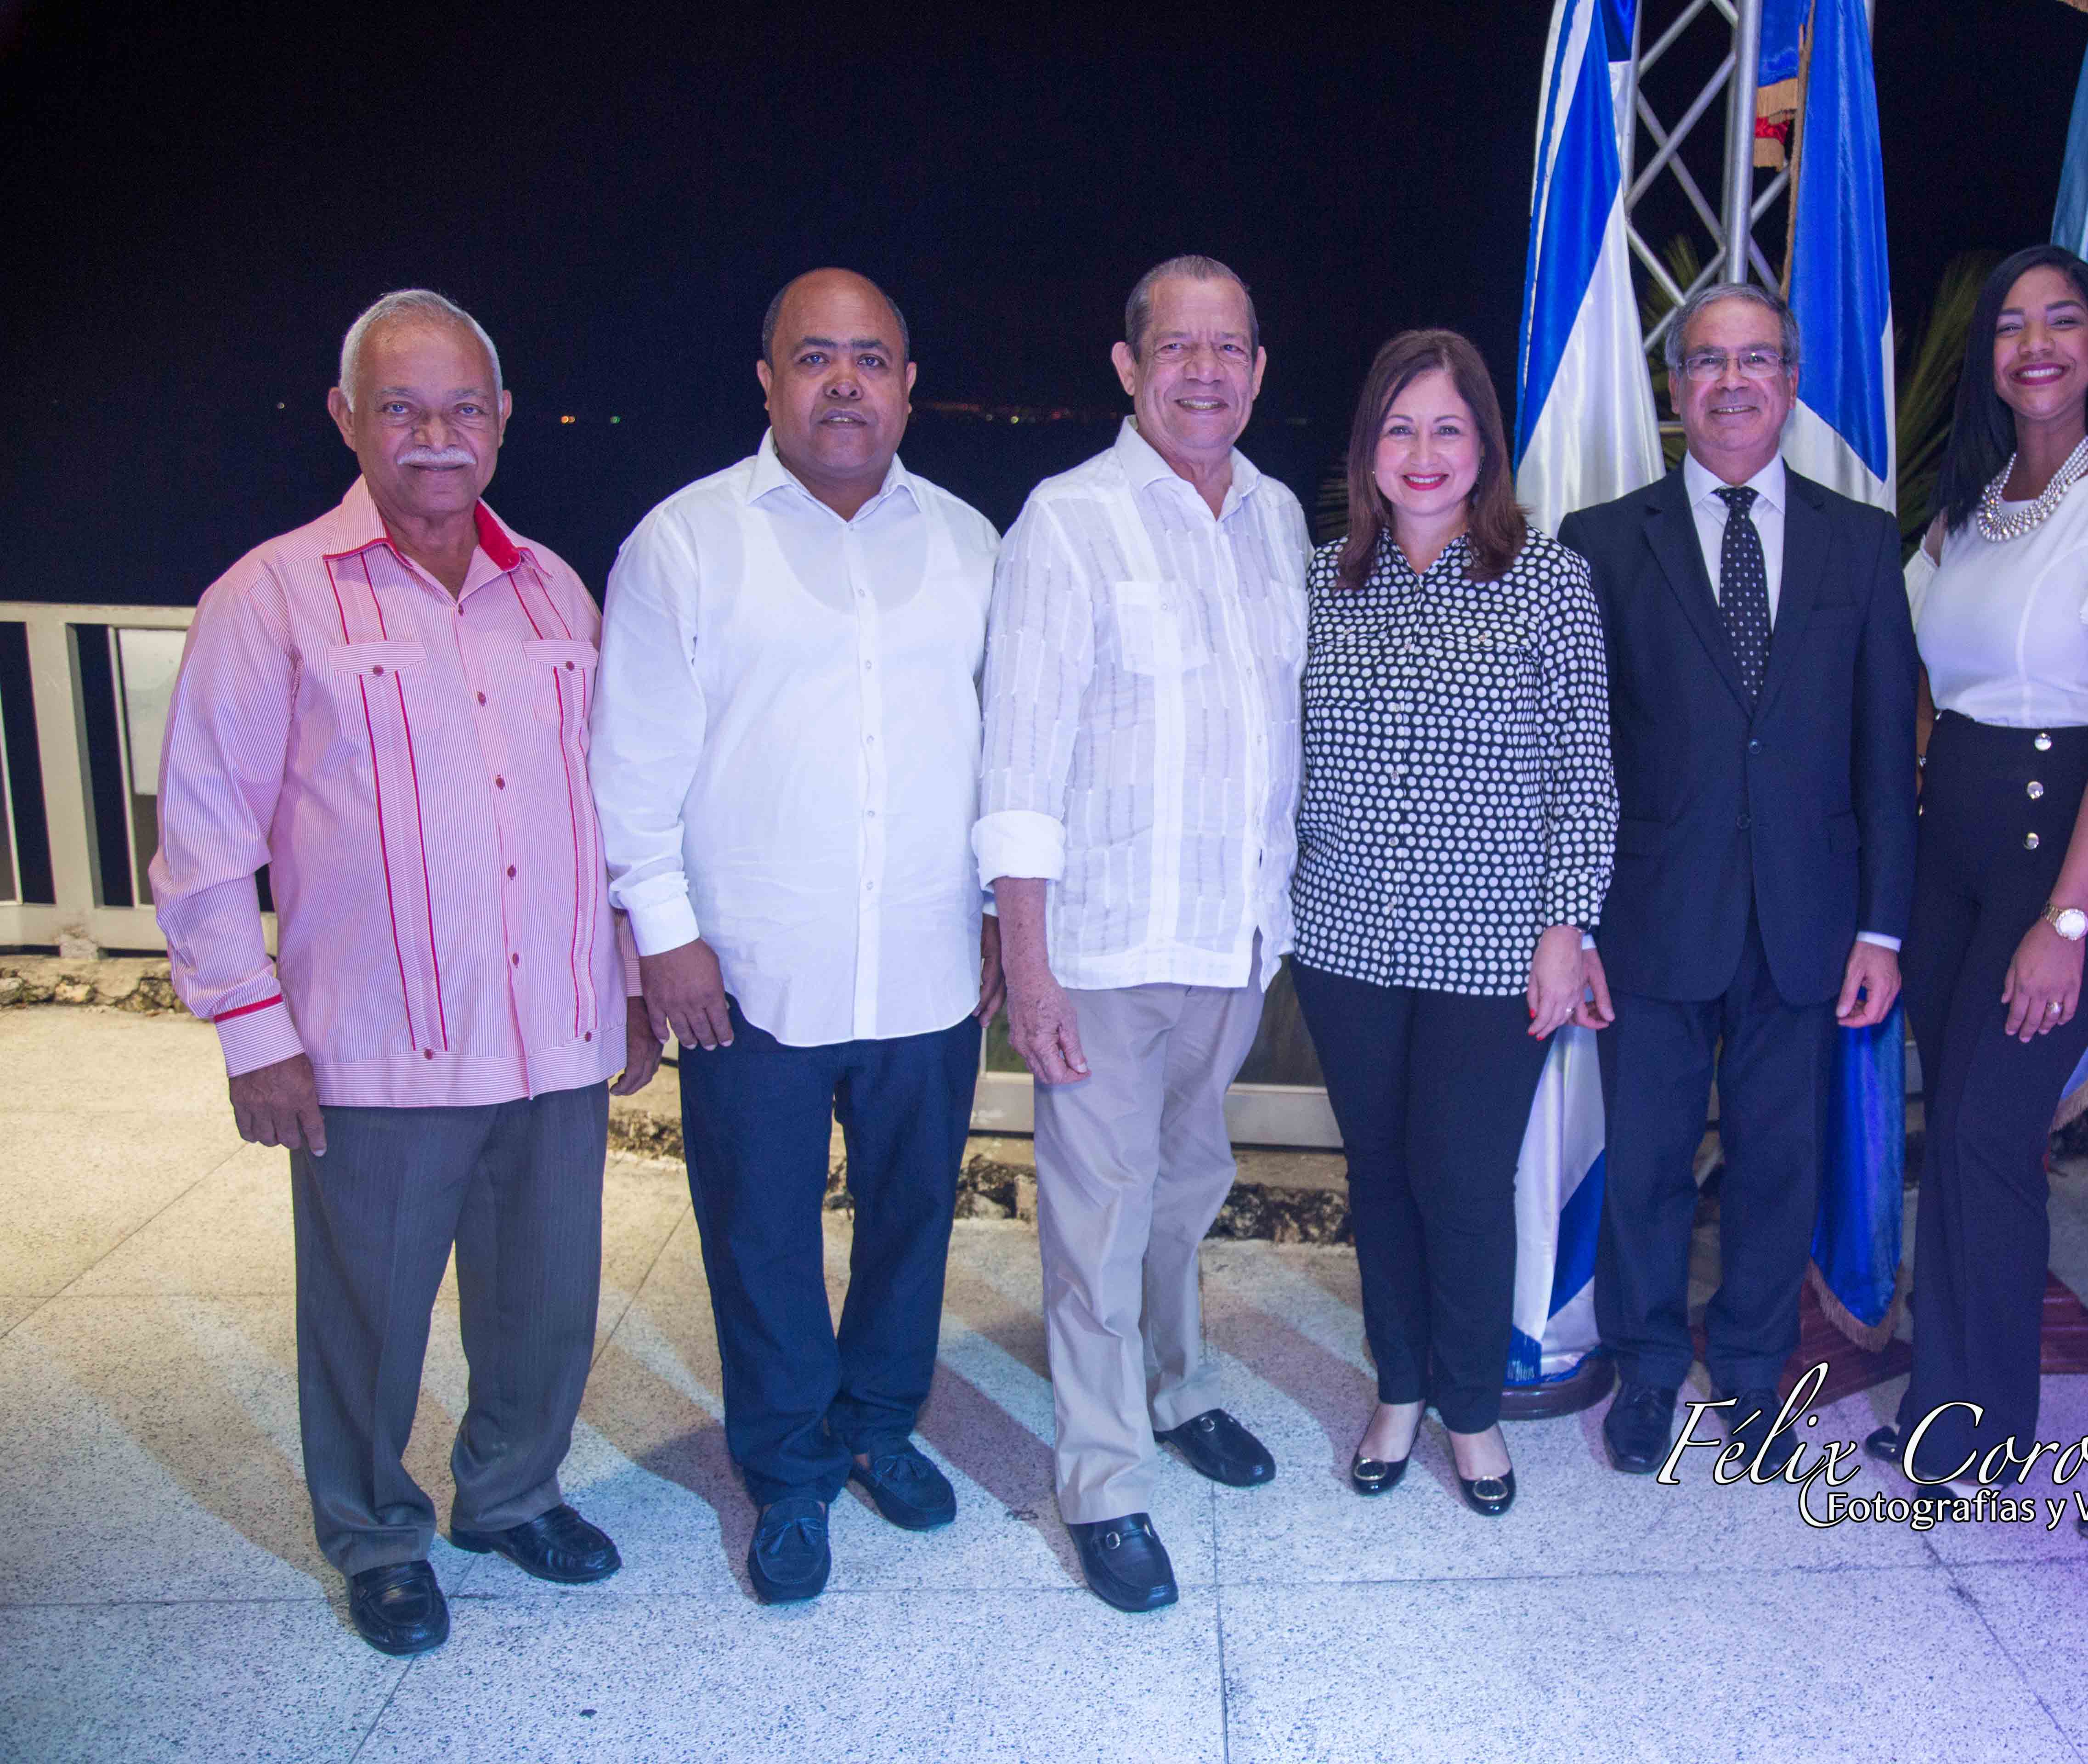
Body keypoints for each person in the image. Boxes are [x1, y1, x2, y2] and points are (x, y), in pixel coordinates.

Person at [151, 290, 660, 1657]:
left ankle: (508, 1494)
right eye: (401, 408)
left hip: (552, 1028)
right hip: (377, 1038)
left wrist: (623, 978)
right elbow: (203, 835)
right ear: (347, 419)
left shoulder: (554, 586)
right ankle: (377, 1532)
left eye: (461, 409)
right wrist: (252, 1029)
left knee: (545, 1301)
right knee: (370, 1314)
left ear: (501, 423)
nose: (435, 436)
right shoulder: (269, 597)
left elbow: (603, 801)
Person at [590, 270, 1003, 1605]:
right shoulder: (684, 543)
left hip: (930, 964)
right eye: (813, 357)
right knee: (760, 1234)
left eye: (870, 359)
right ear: (764, 380)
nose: (844, 382)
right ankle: (785, 1471)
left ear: (907, 384)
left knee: (911, 1220)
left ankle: (880, 1428)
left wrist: (1001, 918)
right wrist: (666, 936)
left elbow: (1009, 754)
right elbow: (635, 764)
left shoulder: (971, 545)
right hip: (748, 975)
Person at [975, 255, 1310, 1611]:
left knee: (1186, 1192)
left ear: (1259, 369)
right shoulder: (1068, 521)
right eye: (1177, 347)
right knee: (1099, 1226)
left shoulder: (1280, 518)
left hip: (1233, 939)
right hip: (1107, 955)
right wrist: (1029, 960)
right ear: (1128, 367)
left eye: (1229, 347)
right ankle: (1102, 1480)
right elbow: (1019, 761)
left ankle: (1178, 1395)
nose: (1204, 370)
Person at [1861, 246, 2088, 1491]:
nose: (2035, 344)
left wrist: (2065, 919)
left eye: (2063, 319)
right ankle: (1950, 1382)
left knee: (1984, 1128)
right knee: (1954, 1129)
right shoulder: (1969, 507)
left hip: (2062, 855)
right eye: (2011, 324)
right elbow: (1917, 682)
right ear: (1990, 361)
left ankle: (1986, 1417)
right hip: (1951, 853)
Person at [1558, 283, 1918, 1475]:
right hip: (1651, 914)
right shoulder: (1607, 540)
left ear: (1791, 379)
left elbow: (1883, 750)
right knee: (1650, 1164)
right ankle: (1651, 1370)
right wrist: (1577, 919)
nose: (1730, 382)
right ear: (1675, 389)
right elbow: (1579, 744)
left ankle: (1755, 1373)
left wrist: (1883, 929)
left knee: (1780, 1163)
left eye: (1754, 358)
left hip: (1808, 918)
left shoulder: (1859, 542)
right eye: (1705, 361)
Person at [1292, 329, 1616, 1515]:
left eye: (1447, 428)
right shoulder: (1323, 581)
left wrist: (1566, 929)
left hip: (1492, 951)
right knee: (1379, 1175)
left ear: (1483, 445)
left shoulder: (1547, 579)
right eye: (1398, 428)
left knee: (1465, 1182)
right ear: (1367, 450)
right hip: (1341, 941)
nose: (1422, 454)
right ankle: (1398, 1388)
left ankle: (1471, 1414)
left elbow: (1587, 770)